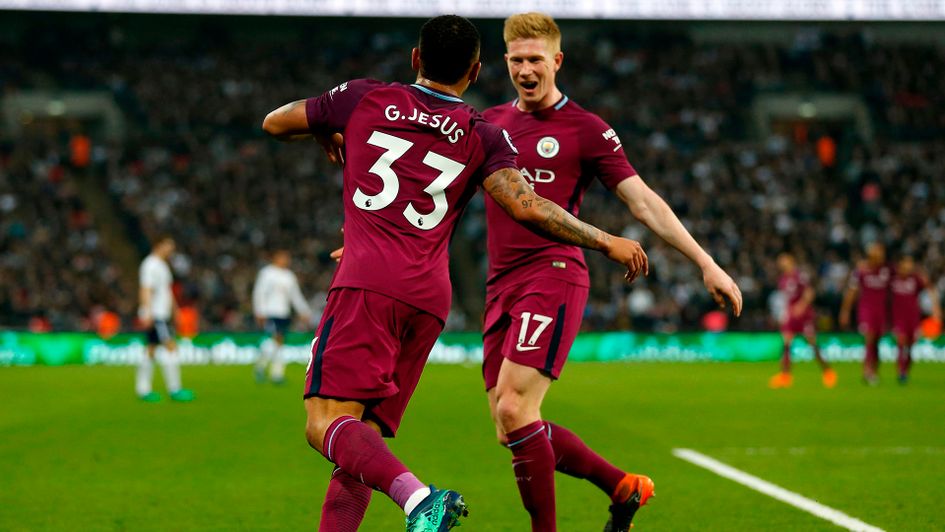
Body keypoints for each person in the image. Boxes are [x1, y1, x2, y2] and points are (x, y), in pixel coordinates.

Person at [262, 15, 649, 532]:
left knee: (326, 424)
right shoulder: (483, 134)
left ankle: (419, 499)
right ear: (476, 70)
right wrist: (606, 239)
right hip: (425, 298)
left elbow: (275, 121)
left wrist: (325, 129)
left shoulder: (363, 98)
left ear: (415, 58)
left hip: (366, 283)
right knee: (360, 443)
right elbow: (529, 206)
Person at [478, 13, 743, 532]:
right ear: (505, 62)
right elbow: (442, 190)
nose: (526, 70)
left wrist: (706, 263)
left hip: (554, 272)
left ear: (557, 61)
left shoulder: (587, 128)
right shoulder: (489, 125)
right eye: (516, 60)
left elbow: (644, 203)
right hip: (500, 284)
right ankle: (623, 487)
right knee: (511, 427)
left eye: (535, 59)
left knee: (514, 408)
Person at [136, 235, 195, 402]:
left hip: (161, 313)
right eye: (168, 246)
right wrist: (146, 312)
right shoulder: (150, 265)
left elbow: (167, 291)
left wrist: (175, 310)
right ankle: (174, 389)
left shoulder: (162, 266)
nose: (171, 250)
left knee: (151, 349)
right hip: (156, 314)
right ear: (158, 245)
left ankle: (143, 389)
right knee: (171, 347)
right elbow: (145, 289)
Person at [769, 253, 836, 389]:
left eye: (784, 260)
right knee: (786, 342)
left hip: (804, 315)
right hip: (791, 315)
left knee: (812, 343)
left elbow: (810, 293)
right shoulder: (782, 279)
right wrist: (785, 314)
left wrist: (801, 306)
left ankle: (828, 371)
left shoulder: (800, 276)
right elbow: (785, 299)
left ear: (791, 261)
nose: (781, 263)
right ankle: (785, 376)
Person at [252, 249, 312, 384]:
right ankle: (276, 373)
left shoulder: (289, 276)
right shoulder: (267, 273)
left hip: (284, 313)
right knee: (277, 340)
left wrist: (304, 311)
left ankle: (262, 367)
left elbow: (295, 295)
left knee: (278, 342)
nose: (285, 260)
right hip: (270, 312)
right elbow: (259, 292)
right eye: (282, 257)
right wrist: (259, 311)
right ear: (275, 258)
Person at [840, 242, 892, 385]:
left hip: (881, 311)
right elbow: (852, 292)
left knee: (877, 342)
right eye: (877, 254)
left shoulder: (887, 271)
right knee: (869, 338)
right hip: (866, 310)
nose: (880, 257)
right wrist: (845, 311)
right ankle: (867, 371)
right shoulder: (861, 271)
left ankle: (875, 370)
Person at [890, 254, 940, 384]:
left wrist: (935, 308)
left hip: (913, 317)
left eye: (911, 263)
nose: (909, 266)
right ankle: (901, 371)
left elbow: (930, 288)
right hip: (898, 317)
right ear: (900, 264)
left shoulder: (916, 279)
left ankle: (906, 370)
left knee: (910, 346)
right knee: (901, 342)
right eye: (907, 263)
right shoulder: (893, 278)